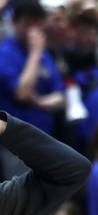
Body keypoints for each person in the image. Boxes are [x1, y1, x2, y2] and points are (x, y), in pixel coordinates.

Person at [0, 0, 64, 136]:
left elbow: (60, 96)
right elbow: (22, 93)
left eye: (37, 23)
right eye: (28, 23)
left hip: (44, 135)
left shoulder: (44, 55)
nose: (33, 29)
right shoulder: (5, 53)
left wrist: (40, 102)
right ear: (15, 23)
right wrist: (35, 53)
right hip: (13, 138)